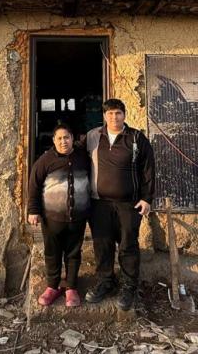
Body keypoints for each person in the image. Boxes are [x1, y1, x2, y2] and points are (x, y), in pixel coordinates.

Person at [81, 98, 155, 311]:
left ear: (124, 115)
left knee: (127, 245)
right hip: (99, 203)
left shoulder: (136, 138)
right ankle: (106, 282)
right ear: (104, 116)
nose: (114, 117)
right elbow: (75, 157)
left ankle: (129, 286)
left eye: (118, 113)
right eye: (110, 113)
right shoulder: (93, 136)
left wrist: (147, 198)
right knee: (102, 244)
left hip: (128, 204)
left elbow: (148, 169)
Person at [26, 122, 91, 307]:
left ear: (72, 139)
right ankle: (52, 286)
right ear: (54, 140)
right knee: (52, 252)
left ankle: (71, 287)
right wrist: (33, 211)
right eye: (60, 138)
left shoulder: (82, 157)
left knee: (73, 253)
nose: (63, 141)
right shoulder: (45, 160)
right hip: (52, 217)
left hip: (77, 217)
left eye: (67, 137)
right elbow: (34, 186)